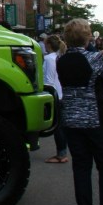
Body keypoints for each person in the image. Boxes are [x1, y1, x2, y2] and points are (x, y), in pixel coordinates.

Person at [56, 18, 103, 205]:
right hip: (97, 118)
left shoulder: (61, 60)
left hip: (72, 120)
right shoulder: (95, 59)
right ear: (87, 37)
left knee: (81, 166)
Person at [43, 34, 69, 164]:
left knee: (57, 126)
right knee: (60, 125)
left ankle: (61, 154)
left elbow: (48, 80)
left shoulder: (48, 59)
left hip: (55, 95)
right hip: (61, 93)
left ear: (48, 45)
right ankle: (62, 152)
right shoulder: (59, 57)